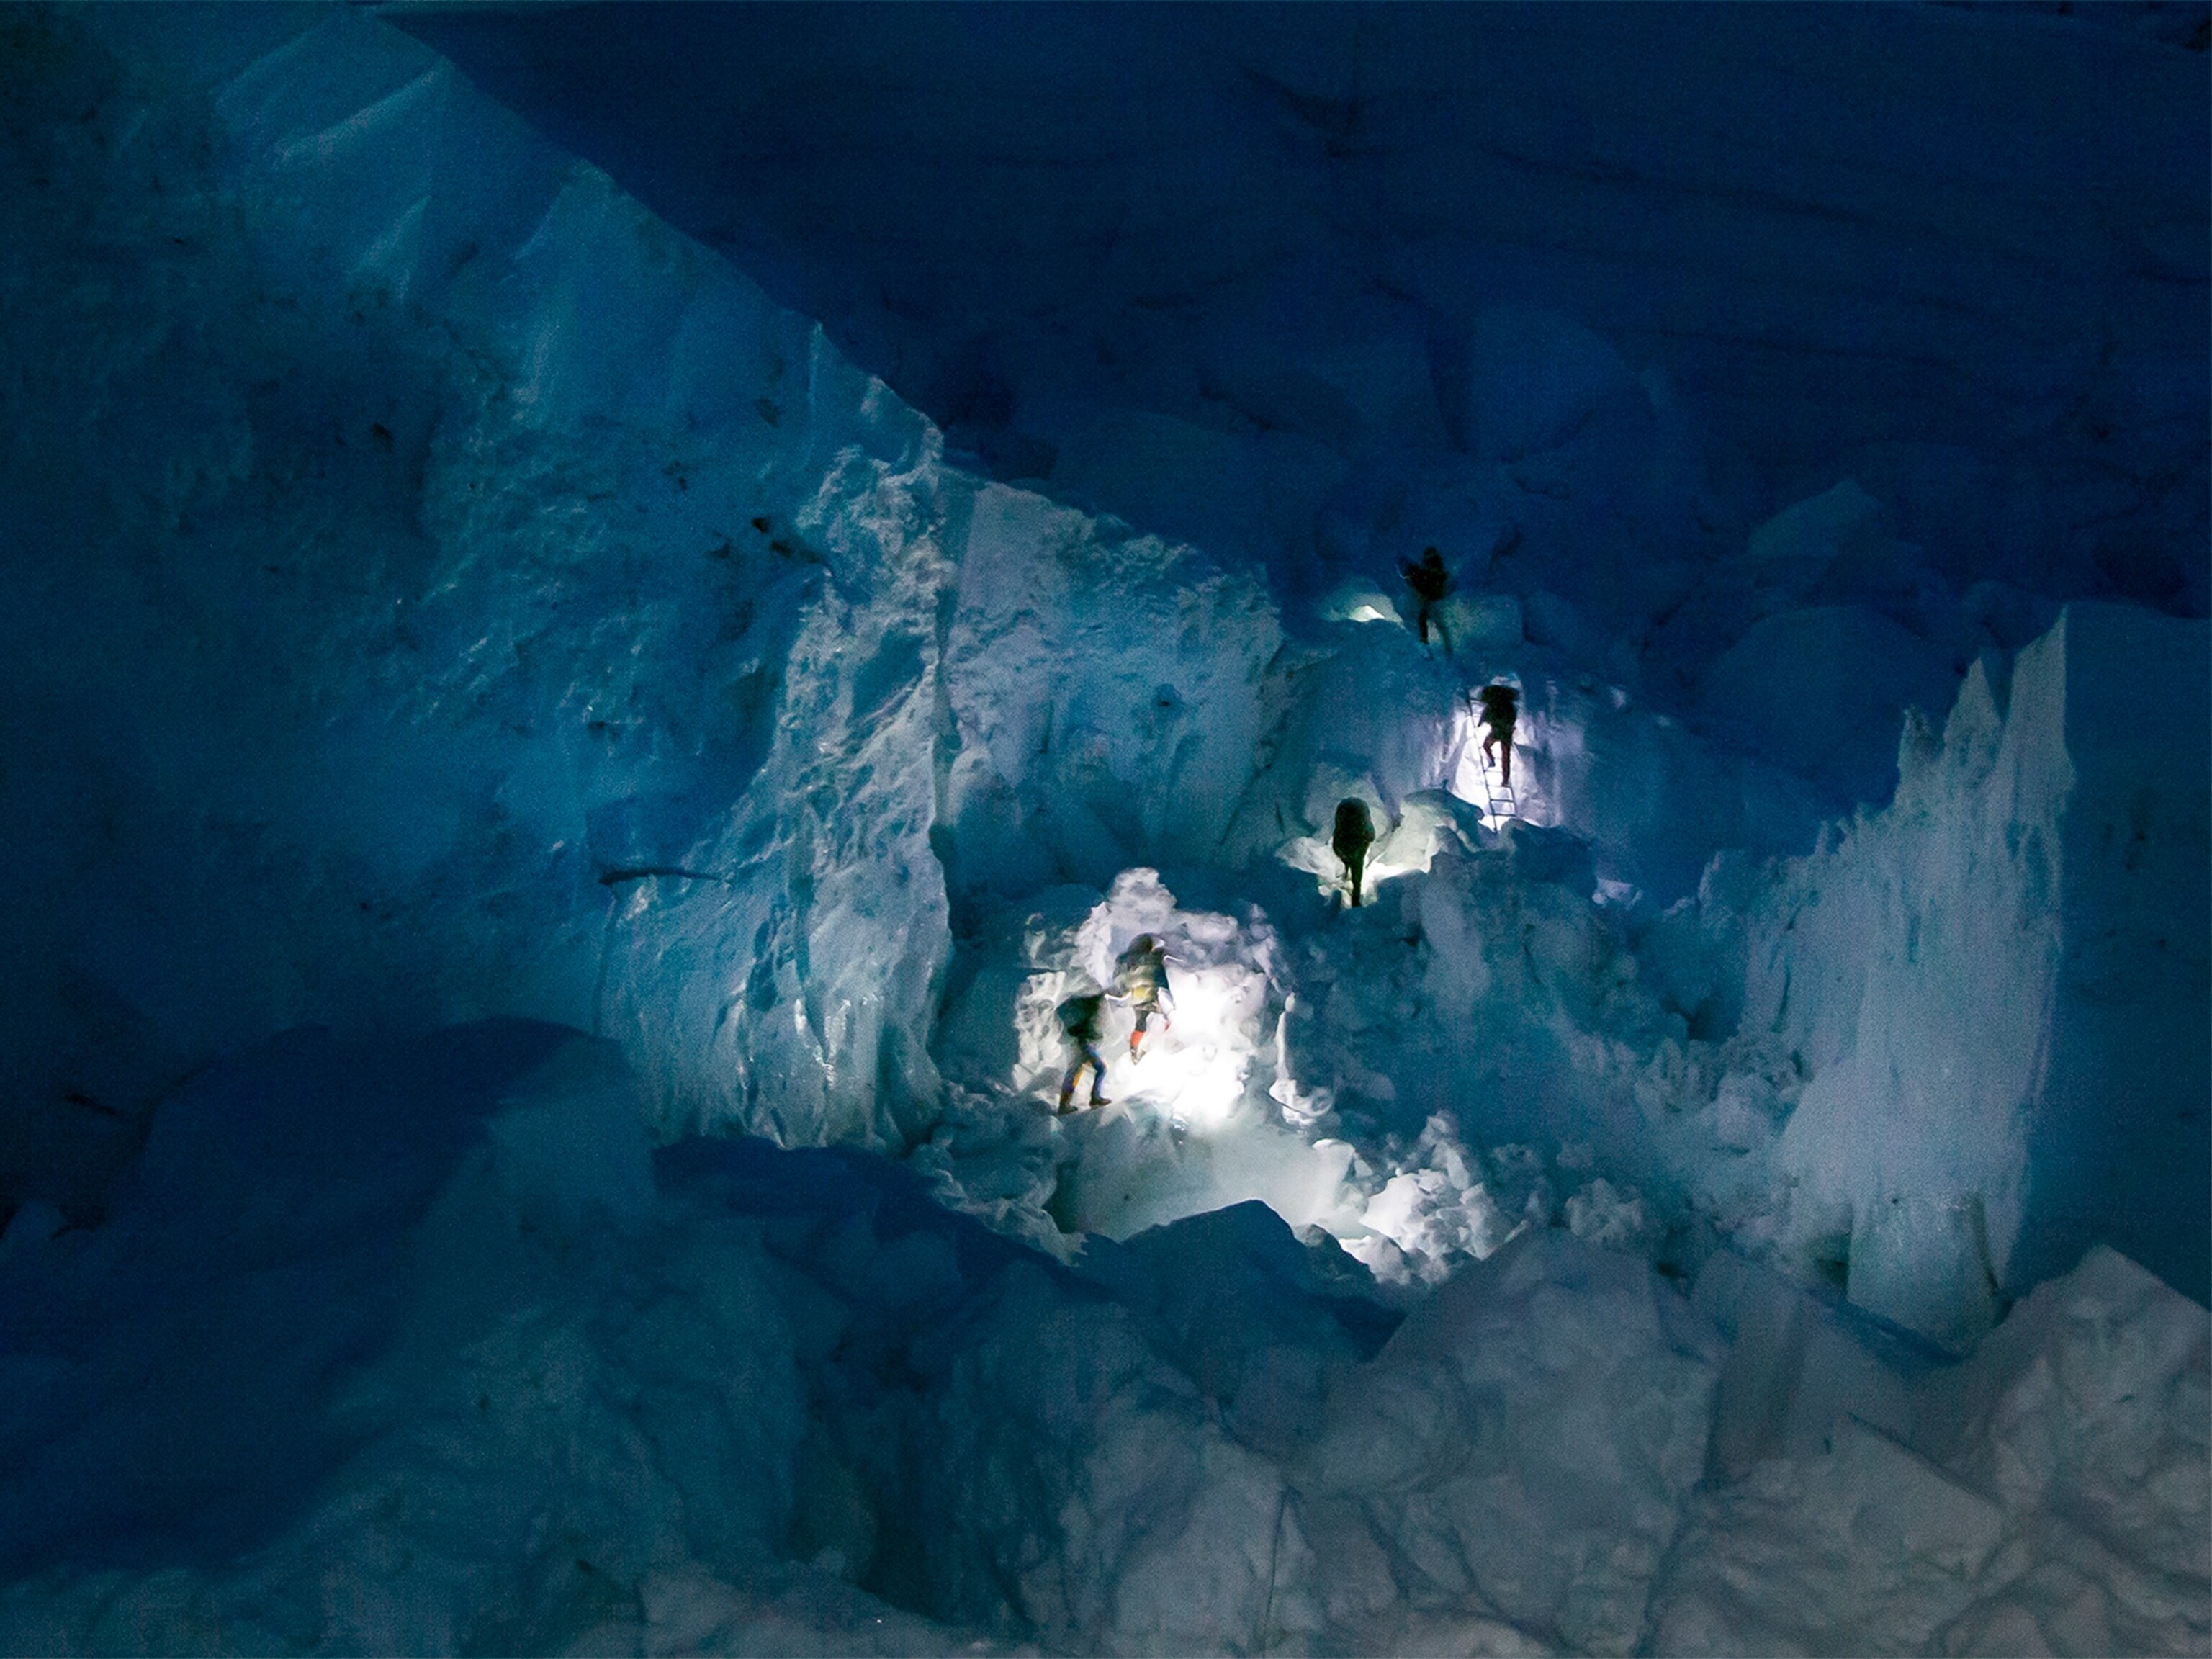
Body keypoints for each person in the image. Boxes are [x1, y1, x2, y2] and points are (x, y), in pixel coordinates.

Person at [1112, 934, 1172, 1058]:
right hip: (1148, 996)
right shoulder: (1150, 958)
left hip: (1134, 998)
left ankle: (1134, 1051)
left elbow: (1117, 978)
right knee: (1167, 1017)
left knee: (1140, 1023)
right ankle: (1163, 1043)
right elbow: (1157, 974)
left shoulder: (1123, 960)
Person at [1055, 990, 1110, 1112]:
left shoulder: (1084, 1004)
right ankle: (1095, 1098)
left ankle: (1064, 1105)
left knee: (1075, 1071)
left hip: (1084, 1041)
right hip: (1085, 1042)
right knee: (1101, 1068)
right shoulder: (1087, 1003)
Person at [1400, 547, 1454, 651]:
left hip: (1433, 599)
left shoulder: (1431, 569)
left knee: (1427, 620)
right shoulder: (1426, 570)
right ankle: (1432, 644)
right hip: (1433, 598)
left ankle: (1427, 643)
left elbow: (1435, 582)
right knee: (1429, 621)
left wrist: (1426, 593)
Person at [1332, 798, 1377, 909]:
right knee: (1357, 876)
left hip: (1342, 848)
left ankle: (1345, 876)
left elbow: (1337, 831)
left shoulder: (1343, 811)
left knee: (1349, 865)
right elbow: (1371, 835)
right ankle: (1355, 900)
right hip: (1357, 849)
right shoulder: (1361, 812)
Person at [1475, 681, 1519, 789]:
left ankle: (1492, 761)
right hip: (1507, 732)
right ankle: (1505, 779)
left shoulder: (1494, 704)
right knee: (1506, 756)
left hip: (1498, 731)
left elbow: (1487, 716)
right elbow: (1512, 717)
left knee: (1486, 745)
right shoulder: (1509, 705)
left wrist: (1481, 723)